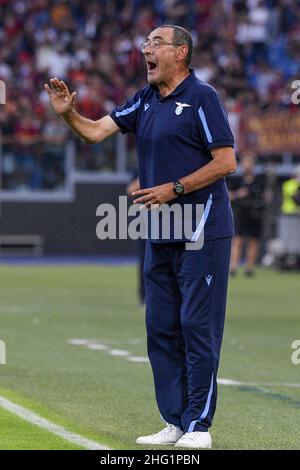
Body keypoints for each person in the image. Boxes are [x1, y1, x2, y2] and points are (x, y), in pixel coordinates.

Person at [44, 24, 237, 449]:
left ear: (181, 52)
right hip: (160, 232)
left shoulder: (203, 97)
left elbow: (226, 162)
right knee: (161, 328)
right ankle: (174, 421)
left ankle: (199, 425)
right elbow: (95, 131)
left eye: (156, 43)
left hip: (202, 231)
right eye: (145, 44)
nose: (145, 50)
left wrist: (175, 188)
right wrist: (68, 115)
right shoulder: (146, 98)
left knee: (196, 326)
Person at [229, 153, 265, 276]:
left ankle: (249, 268)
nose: (248, 165)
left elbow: (266, 197)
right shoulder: (236, 180)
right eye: (245, 162)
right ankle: (233, 267)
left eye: (250, 163)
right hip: (241, 213)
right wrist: (239, 194)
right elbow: (228, 196)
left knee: (254, 241)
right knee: (238, 240)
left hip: (255, 214)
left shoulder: (259, 180)